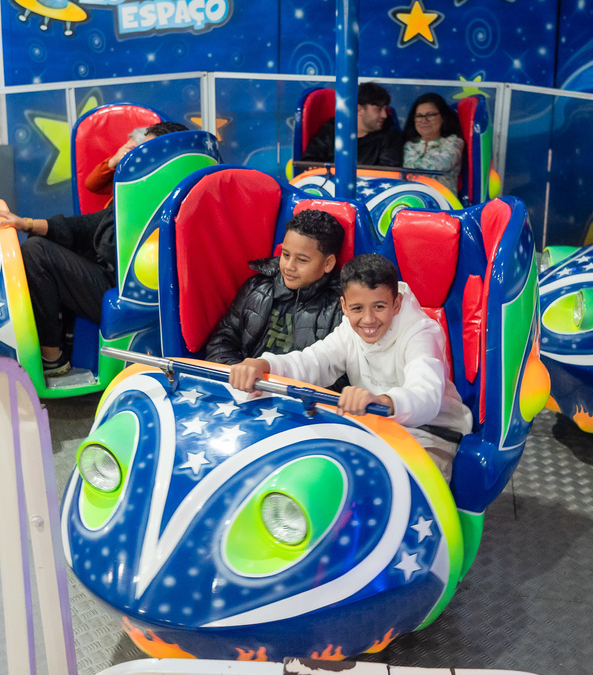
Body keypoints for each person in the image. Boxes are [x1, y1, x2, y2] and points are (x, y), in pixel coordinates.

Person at [228, 253, 472, 478]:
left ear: (396, 304)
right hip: (376, 424)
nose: (368, 319)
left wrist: (382, 400)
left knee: (411, 484)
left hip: (432, 432)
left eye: (379, 306)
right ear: (344, 306)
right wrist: (264, 364)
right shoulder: (349, 330)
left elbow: (425, 394)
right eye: (357, 308)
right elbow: (313, 361)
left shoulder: (421, 332)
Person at [0, 121, 189, 378]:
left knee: (37, 253)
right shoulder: (148, 194)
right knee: (44, 245)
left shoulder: (157, 203)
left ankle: (51, 357)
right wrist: (28, 224)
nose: (133, 157)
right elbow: (92, 224)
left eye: (141, 152)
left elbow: (111, 245)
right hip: (120, 282)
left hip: (128, 291)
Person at [203, 209, 347, 365]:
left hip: (297, 388)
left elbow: (339, 371)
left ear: (328, 263)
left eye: (302, 260)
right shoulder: (257, 287)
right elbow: (223, 340)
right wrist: (239, 375)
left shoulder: (341, 308)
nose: (289, 266)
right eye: (285, 255)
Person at [301, 81, 403, 168]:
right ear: (359, 109)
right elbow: (309, 162)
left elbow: (388, 174)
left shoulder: (390, 137)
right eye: (378, 109)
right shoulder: (331, 130)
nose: (385, 115)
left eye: (385, 109)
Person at [83, 121, 189, 196]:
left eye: (132, 147)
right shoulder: (128, 175)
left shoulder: (147, 180)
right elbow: (91, 185)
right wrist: (113, 161)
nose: (125, 149)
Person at [401, 93, 465, 195]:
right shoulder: (408, 145)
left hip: (442, 204)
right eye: (419, 116)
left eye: (430, 115)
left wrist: (417, 170)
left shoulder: (454, 143)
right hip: (411, 200)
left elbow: (440, 164)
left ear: (443, 117)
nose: (424, 120)